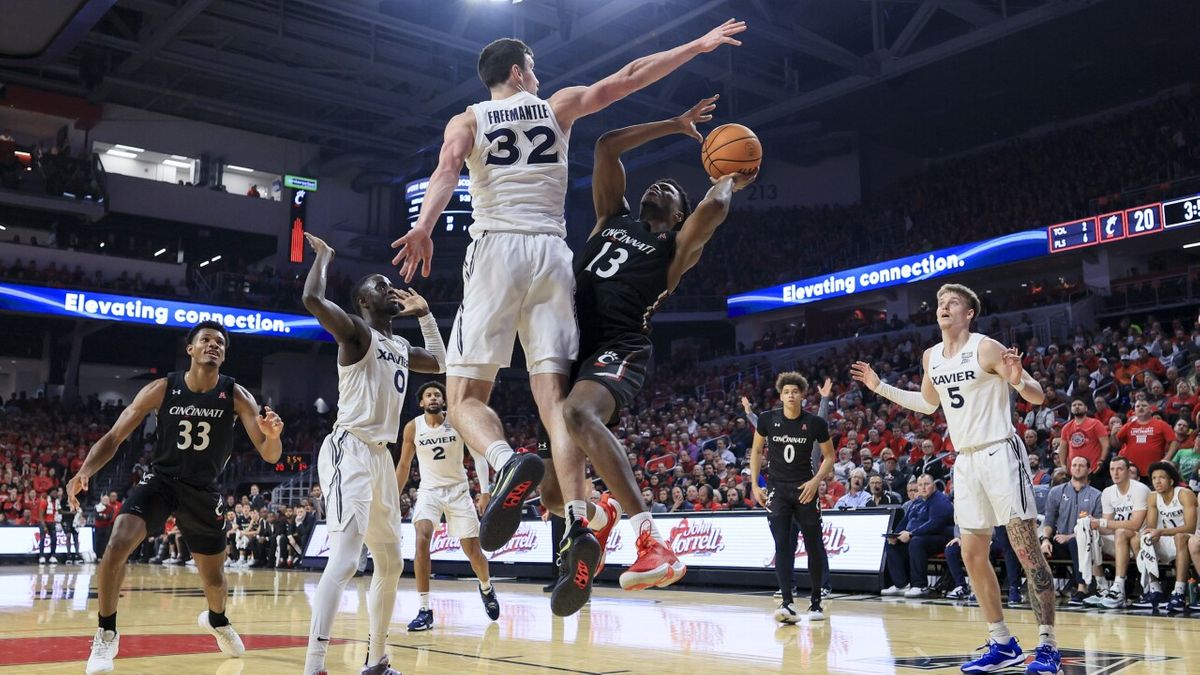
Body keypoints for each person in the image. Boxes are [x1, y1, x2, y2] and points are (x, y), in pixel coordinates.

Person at [389, 21, 748, 557]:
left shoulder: (467, 119)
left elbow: (445, 171)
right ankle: (579, 521)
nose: (538, 75)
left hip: (496, 249)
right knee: (555, 402)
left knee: (463, 396)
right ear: (518, 71)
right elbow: (628, 78)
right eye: (533, 68)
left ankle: (507, 463)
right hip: (553, 256)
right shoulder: (557, 106)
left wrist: (423, 225)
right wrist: (695, 45)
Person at [530, 97, 753, 615]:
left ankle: (652, 540)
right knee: (552, 490)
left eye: (671, 191)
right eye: (655, 185)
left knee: (579, 414)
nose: (659, 188)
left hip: (620, 345)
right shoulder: (611, 217)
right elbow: (607, 146)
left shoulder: (675, 249)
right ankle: (601, 509)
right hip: (567, 347)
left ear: (678, 214)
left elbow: (713, 210)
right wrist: (673, 124)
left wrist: (731, 176)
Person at [851, 283, 1061, 674]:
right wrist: (880, 387)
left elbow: (1036, 396)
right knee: (970, 554)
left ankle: (1047, 644)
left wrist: (1017, 379)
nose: (944, 308)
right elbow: (928, 405)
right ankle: (1002, 642)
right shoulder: (931, 356)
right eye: (940, 304)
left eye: (953, 303)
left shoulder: (986, 347)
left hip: (1000, 452)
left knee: (1026, 550)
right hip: (965, 461)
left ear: (969, 313)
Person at [66, 321, 284, 674]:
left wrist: (272, 436)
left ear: (224, 354)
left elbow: (269, 454)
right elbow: (115, 435)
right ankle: (106, 634)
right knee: (117, 545)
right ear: (191, 350)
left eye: (220, 343)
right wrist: (85, 471)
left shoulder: (237, 394)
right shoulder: (163, 388)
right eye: (206, 340)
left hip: (203, 490)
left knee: (213, 579)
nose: (213, 345)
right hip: (162, 481)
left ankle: (217, 620)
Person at [300, 233, 446, 675]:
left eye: (389, 284)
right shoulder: (356, 332)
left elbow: (439, 362)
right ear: (363, 300)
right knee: (345, 559)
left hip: (380, 457)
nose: (389, 289)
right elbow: (311, 298)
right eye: (380, 285)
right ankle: (314, 666)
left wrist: (426, 314)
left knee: (391, 560)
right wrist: (324, 257)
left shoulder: (399, 347)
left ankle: (377, 660)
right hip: (350, 448)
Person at [397, 381, 499, 632]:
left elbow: (478, 456)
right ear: (421, 402)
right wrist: (392, 497)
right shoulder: (413, 428)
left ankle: (486, 586)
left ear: (443, 401)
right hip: (429, 491)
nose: (433, 398)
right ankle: (424, 609)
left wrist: (485, 492)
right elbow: (403, 465)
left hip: (459, 491)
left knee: (473, 552)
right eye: (428, 395)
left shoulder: (457, 422)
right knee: (421, 539)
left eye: (437, 395)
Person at [750, 372, 836, 624]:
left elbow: (829, 457)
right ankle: (787, 604)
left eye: (795, 392)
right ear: (780, 395)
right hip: (777, 490)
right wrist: (755, 485)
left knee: (813, 546)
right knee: (782, 546)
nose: (790, 395)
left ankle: (816, 602)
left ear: (802, 395)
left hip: (805, 489)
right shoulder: (767, 420)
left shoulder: (815, 423)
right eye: (786, 391)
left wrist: (815, 481)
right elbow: (756, 451)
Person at [1084, 456, 1151, 609]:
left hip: (1140, 540)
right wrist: (1091, 523)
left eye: (1120, 469)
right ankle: (1102, 588)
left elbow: (1135, 524)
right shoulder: (1107, 492)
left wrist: (1102, 522)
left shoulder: (1140, 489)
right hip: (1120, 540)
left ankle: (1119, 587)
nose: (1115, 473)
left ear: (1128, 471)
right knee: (1089, 534)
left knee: (1120, 532)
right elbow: (1107, 527)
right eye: (1112, 469)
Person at [1132, 461, 1195, 612]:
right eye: (1154, 478)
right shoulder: (1153, 497)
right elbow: (1151, 527)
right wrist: (1151, 535)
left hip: (1188, 539)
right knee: (1139, 539)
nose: (1157, 481)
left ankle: (1179, 592)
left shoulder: (1185, 494)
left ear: (1171, 481)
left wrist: (1160, 532)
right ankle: (1155, 590)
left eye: (1162, 478)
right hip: (1167, 537)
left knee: (1179, 537)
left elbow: (1190, 528)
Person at [1039, 456, 1102, 605]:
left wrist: (1070, 536)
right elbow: (1049, 520)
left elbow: (1096, 525)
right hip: (1058, 541)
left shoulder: (1097, 495)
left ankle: (1082, 588)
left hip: (1086, 542)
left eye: (1081, 465)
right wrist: (1045, 539)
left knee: (1076, 541)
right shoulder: (1056, 492)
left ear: (1089, 469)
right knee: (1034, 545)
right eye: (1074, 465)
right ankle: (1039, 588)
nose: (1077, 468)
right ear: (1070, 468)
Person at [880, 473, 955, 597]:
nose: (923, 488)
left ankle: (920, 585)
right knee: (891, 543)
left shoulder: (941, 501)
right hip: (917, 536)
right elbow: (905, 520)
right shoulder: (917, 501)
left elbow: (935, 524)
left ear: (934, 485)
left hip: (941, 538)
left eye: (927, 484)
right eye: (920, 485)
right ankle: (902, 584)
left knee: (916, 542)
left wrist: (911, 533)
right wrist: (896, 535)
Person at [1112, 399, 1177, 478]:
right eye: (1138, 406)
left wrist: (1167, 458)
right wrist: (1113, 435)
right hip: (1132, 472)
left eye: (1144, 405)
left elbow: (1174, 442)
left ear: (1150, 409)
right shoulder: (1128, 426)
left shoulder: (1161, 424)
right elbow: (1116, 445)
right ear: (1134, 410)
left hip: (1154, 471)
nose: (1141, 408)